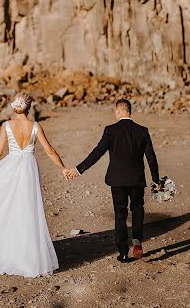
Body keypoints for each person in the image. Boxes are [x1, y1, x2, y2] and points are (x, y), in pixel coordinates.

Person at [0, 91, 71, 277]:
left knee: (4, 207)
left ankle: (3, 250)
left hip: (10, 167)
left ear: (15, 106)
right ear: (29, 107)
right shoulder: (35, 126)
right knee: (27, 211)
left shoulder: (7, 125)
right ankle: (28, 257)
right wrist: (63, 168)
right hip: (29, 170)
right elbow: (49, 150)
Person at [67, 98, 162, 262]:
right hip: (137, 179)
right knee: (138, 209)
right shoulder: (142, 131)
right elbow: (151, 157)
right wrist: (156, 180)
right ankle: (137, 240)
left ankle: (124, 252)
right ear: (129, 111)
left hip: (117, 180)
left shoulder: (111, 130)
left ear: (118, 111)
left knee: (120, 215)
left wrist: (78, 169)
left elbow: (97, 152)